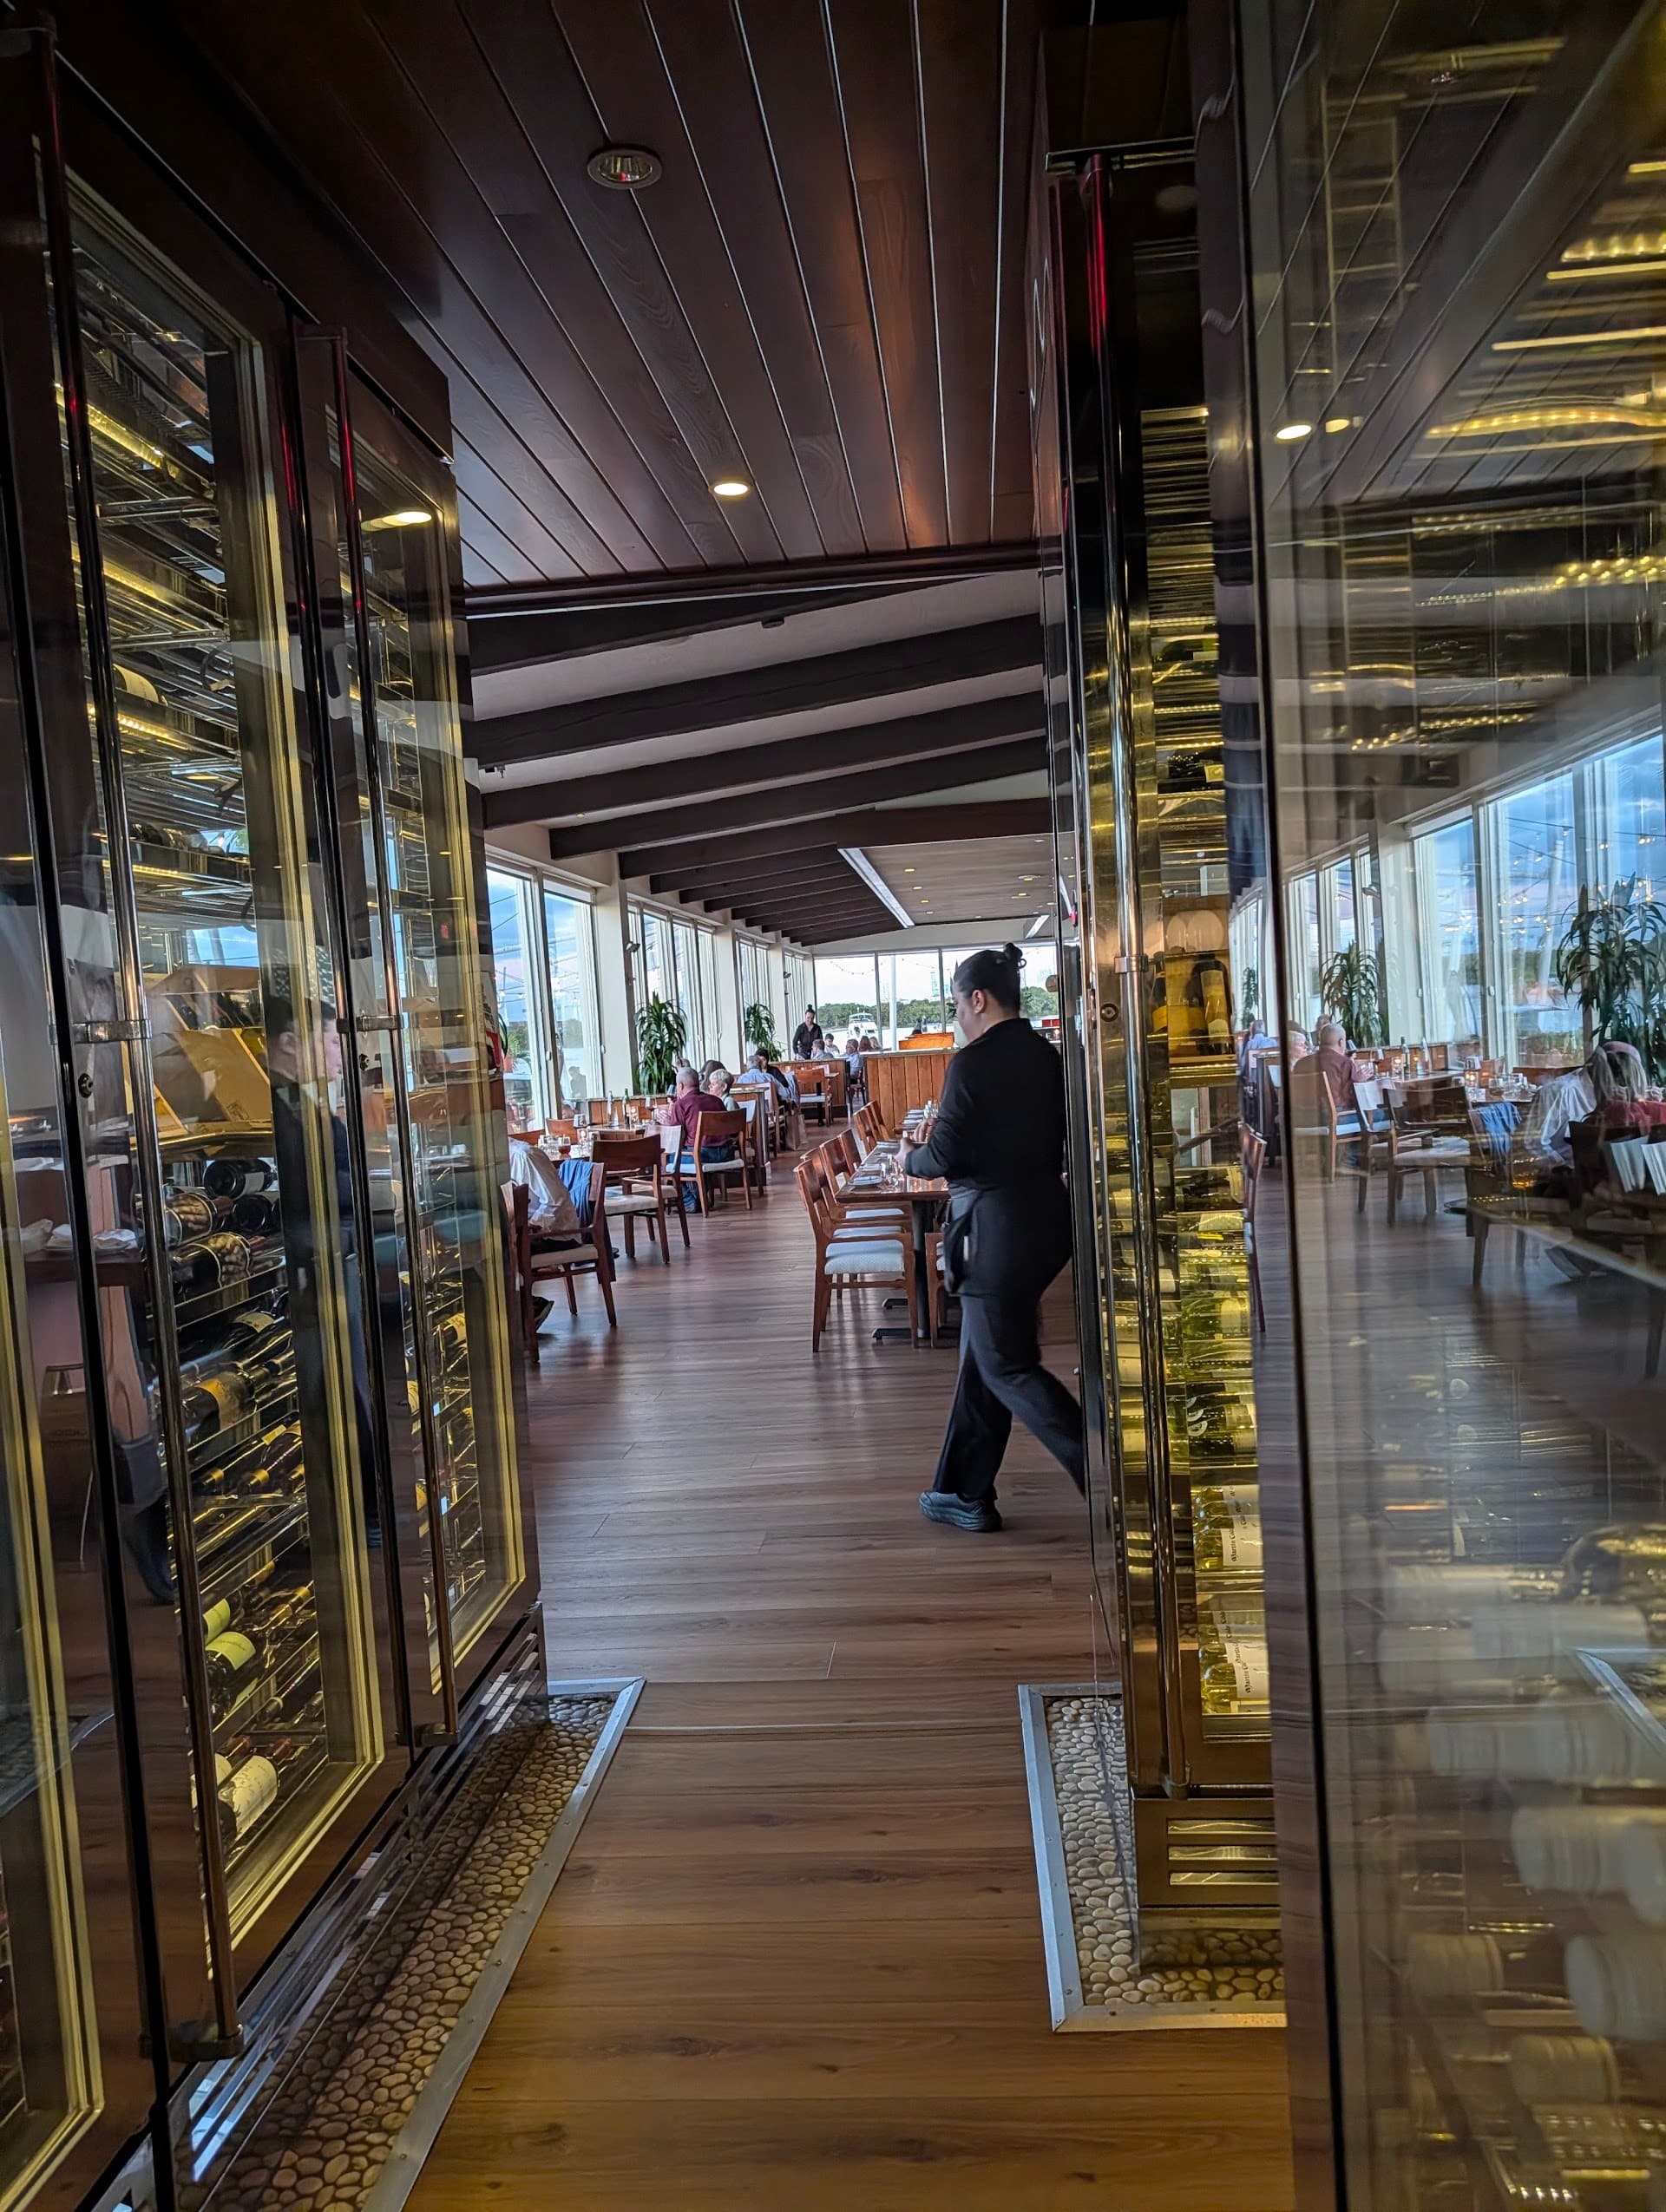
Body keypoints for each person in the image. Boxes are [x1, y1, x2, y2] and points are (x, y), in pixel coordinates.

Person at [904, 944, 1086, 1533]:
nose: (957, 1017)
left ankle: (1108, 1476)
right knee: (983, 1357)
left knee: (1006, 1364)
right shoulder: (1046, 1054)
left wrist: (913, 1157)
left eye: (957, 1005)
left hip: (992, 1233)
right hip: (1046, 1221)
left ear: (977, 1000)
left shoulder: (972, 1063)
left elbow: (945, 1154)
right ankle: (963, 1491)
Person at [507, 1132, 585, 1325]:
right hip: (525, 1235)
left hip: (558, 1235)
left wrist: (531, 1227)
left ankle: (525, 1312)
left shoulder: (525, 1156)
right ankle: (521, 1312)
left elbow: (555, 1201)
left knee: (500, 1255)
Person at [656, 1064, 736, 1199]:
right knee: (686, 1154)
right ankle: (700, 1196)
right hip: (727, 1153)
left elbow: (678, 1140)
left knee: (663, 1160)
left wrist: (669, 1124)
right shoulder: (717, 1101)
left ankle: (689, 1200)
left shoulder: (680, 1105)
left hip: (702, 1156)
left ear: (680, 1086)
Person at [1291, 1018, 1354, 1111]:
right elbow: (1351, 1096)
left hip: (1302, 1117)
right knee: (1380, 1114)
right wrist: (1359, 1080)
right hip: (1335, 1117)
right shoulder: (1344, 1063)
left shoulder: (1300, 1064)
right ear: (1341, 1042)